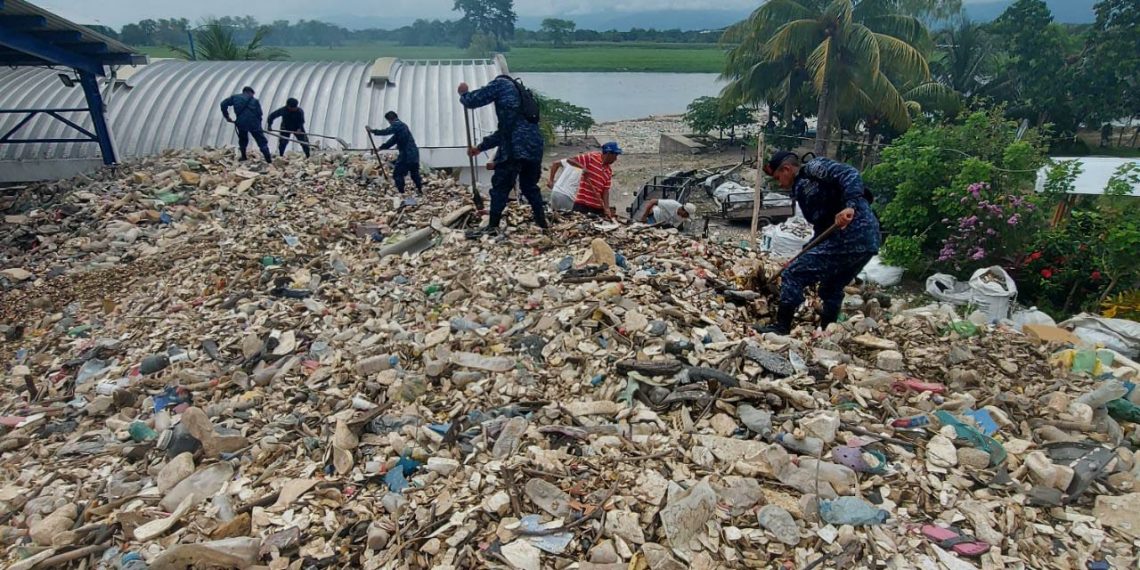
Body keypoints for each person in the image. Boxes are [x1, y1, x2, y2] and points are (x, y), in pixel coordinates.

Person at [757, 151, 880, 335]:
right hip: (865, 240)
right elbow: (822, 226)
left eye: (778, 177)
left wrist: (850, 206)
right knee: (831, 286)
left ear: (787, 169)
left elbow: (849, 174)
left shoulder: (813, 169)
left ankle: (782, 326)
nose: (779, 183)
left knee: (793, 273)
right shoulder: (800, 189)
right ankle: (828, 331)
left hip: (853, 233)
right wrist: (809, 248)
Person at [459, 76, 549, 234]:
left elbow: (473, 100)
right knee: (530, 187)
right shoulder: (522, 95)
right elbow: (505, 131)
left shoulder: (500, 84)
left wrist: (464, 94)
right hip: (535, 145)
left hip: (515, 147)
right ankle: (542, 224)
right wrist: (480, 148)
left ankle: (492, 226)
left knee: (501, 187)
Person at [549, 142, 622, 220]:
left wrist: (606, 208)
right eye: (615, 155)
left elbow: (605, 191)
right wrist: (583, 168)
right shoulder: (591, 157)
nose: (615, 159)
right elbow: (570, 160)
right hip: (582, 205)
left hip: (597, 207)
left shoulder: (609, 171)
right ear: (608, 154)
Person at [369, 111, 423, 195]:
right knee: (414, 173)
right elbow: (392, 141)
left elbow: (386, 131)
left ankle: (401, 193)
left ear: (390, 120)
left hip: (406, 154)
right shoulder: (402, 128)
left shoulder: (398, 125)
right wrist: (380, 148)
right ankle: (420, 190)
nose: (390, 124)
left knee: (397, 174)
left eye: (389, 121)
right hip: (414, 154)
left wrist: (373, 131)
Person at [220, 86, 272, 163]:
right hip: (254, 123)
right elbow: (260, 114)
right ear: (250, 92)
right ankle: (268, 160)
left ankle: (243, 156)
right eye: (252, 94)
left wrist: (227, 116)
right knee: (261, 141)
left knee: (243, 139)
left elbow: (223, 104)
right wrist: (259, 126)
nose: (252, 96)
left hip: (241, 122)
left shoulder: (235, 97)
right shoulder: (255, 101)